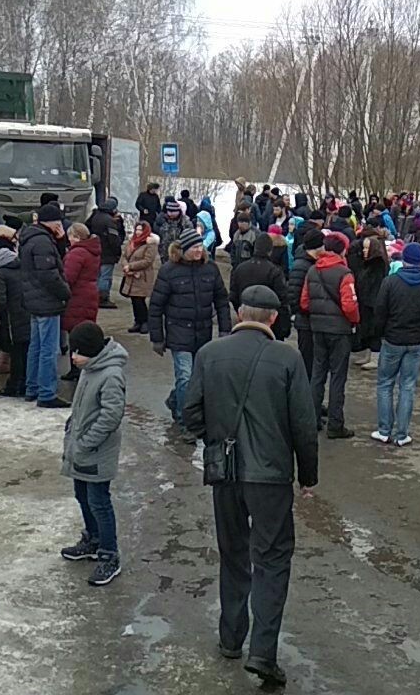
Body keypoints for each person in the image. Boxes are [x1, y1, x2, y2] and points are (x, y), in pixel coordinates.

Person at [183, 285, 319, 688]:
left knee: (233, 553)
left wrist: (216, 439)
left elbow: (189, 413)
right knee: (273, 559)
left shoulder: (209, 354)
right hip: (272, 477)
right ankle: (263, 651)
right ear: (273, 319)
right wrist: (307, 475)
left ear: (239, 312)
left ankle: (230, 637)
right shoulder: (287, 358)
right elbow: (304, 426)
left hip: (224, 474)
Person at [58, 322, 127, 587]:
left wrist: (86, 441)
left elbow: (111, 415)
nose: (72, 356)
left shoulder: (110, 375)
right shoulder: (88, 370)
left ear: (92, 351)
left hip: (96, 451)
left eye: (77, 351)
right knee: (82, 495)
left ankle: (109, 554)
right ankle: (94, 540)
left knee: (99, 500)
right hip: (81, 448)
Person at [150, 229, 232, 443]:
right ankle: (186, 422)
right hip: (179, 332)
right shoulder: (169, 271)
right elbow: (156, 306)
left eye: (200, 246)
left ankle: (175, 399)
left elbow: (222, 300)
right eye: (194, 247)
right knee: (185, 377)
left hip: (203, 332)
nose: (199, 250)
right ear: (183, 250)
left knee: (197, 379)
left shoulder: (210, 269)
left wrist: (225, 329)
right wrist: (157, 337)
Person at [372, 243, 420, 446]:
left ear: (404, 259)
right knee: (408, 387)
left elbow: (380, 312)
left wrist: (381, 334)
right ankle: (402, 434)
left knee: (385, 384)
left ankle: (384, 430)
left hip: (392, 340)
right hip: (416, 342)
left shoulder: (390, 282)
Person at [301, 234, 360, 439]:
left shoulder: (312, 270)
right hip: (340, 331)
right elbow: (349, 306)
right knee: (337, 377)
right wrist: (354, 321)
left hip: (318, 328)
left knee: (317, 374)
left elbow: (305, 302)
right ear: (342, 250)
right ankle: (336, 423)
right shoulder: (345, 273)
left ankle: (313, 419)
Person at [20, 204, 71, 408]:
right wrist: (65, 293)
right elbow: (49, 274)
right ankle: (47, 393)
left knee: (36, 347)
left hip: (33, 300)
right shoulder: (42, 242)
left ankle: (32, 388)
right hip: (47, 301)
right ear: (54, 222)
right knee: (49, 349)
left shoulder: (31, 237)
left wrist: (59, 241)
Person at [0, 227, 29, 397]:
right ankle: (24, 382)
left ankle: (13, 385)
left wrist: (0, 315)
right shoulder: (22, 268)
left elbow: (1, 299)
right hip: (26, 312)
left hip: (11, 317)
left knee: (15, 351)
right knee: (24, 350)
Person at [230, 232, 292, 341]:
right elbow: (282, 301)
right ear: (270, 250)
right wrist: (284, 328)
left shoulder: (240, 269)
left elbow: (233, 296)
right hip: (269, 325)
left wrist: (242, 312)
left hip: (245, 320)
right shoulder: (275, 271)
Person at [61, 223, 102, 381]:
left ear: (75, 237)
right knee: (84, 332)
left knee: (76, 334)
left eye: (70, 236)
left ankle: (76, 369)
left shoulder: (77, 253)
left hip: (77, 296)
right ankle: (82, 367)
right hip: (89, 294)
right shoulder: (92, 251)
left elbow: (69, 277)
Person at [287, 228, 325, 379]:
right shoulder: (302, 265)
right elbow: (293, 293)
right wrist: (301, 311)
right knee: (307, 361)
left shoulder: (310, 263)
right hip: (305, 321)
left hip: (311, 320)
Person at [350, 228, 388, 368]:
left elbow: (375, 286)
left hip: (372, 303)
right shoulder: (367, 264)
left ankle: (375, 356)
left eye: (367, 248)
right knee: (366, 329)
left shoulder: (377, 265)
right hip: (365, 302)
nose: (364, 251)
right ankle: (368, 354)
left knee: (373, 330)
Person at [85, 197, 125, 310]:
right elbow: (114, 239)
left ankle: (94, 296)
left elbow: (86, 227)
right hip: (108, 253)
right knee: (105, 277)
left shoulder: (95, 215)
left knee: (97, 276)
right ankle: (103, 298)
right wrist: (117, 252)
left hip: (95, 250)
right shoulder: (109, 221)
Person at [120, 221, 159, 334]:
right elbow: (124, 256)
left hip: (142, 276)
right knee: (133, 300)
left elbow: (148, 261)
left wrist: (131, 266)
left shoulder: (150, 244)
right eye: (137, 229)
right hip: (130, 276)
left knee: (139, 300)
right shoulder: (131, 242)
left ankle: (145, 322)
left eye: (140, 230)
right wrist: (125, 265)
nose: (138, 232)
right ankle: (137, 321)